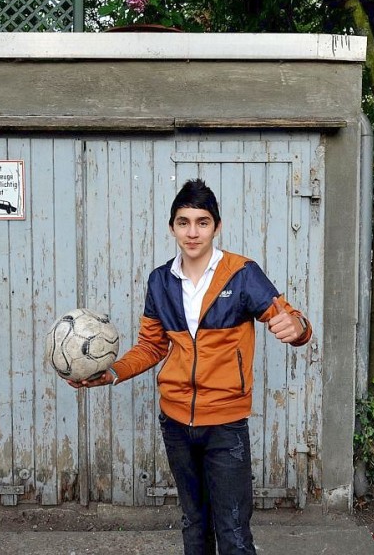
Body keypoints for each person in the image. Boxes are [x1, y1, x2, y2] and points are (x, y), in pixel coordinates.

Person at [67, 179, 312, 554]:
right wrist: (112, 372)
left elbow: (289, 317)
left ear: (217, 226)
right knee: (194, 524)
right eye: (184, 222)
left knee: (232, 530)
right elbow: (152, 346)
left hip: (225, 425)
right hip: (177, 424)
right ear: (172, 227)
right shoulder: (160, 281)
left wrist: (297, 328)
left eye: (202, 222)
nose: (192, 232)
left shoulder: (242, 274)